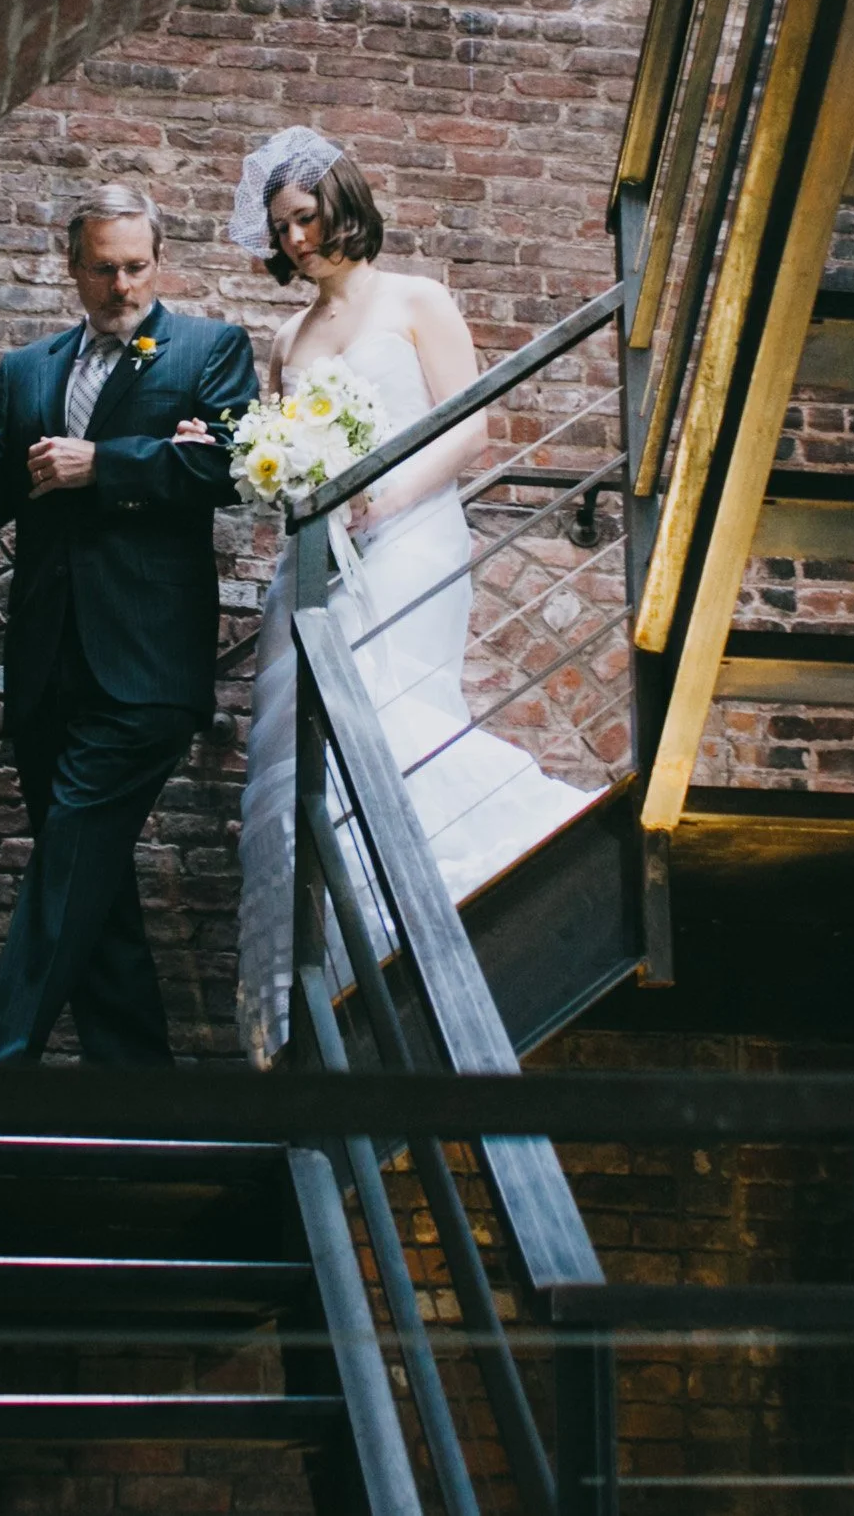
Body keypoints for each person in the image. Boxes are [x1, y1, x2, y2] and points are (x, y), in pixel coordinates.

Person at [0, 183, 259, 1065]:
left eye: (138, 267)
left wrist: (103, 464)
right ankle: (139, 1100)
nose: (124, 287)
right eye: (105, 269)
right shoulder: (28, 371)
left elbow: (236, 467)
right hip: (46, 666)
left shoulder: (208, 349)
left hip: (146, 667)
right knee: (91, 885)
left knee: (68, 869)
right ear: (71, 266)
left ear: (158, 261)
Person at [219, 128, 594, 1065]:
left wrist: (382, 496)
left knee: (397, 707)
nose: (296, 241)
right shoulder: (286, 336)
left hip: (415, 534)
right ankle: (357, 941)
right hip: (321, 557)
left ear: (342, 203)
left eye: (305, 218)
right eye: (282, 229)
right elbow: (285, 447)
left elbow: (470, 428)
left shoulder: (417, 298)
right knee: (317, 732)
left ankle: (473, 872)